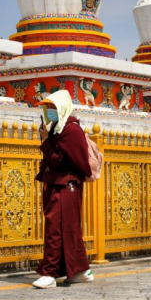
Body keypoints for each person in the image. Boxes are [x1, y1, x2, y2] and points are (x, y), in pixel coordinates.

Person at [33, 90, 93, 289]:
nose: (49, 111)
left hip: (67, 185)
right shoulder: (58, 128)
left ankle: (50, 274)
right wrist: (48, 137)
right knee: (67, 228)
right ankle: (80, 270)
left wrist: (45, 140)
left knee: (57, 228)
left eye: (52, 108)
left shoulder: (72, 130)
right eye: (47, 108)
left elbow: (59, 160)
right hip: (59, 184)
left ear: (62, 108)